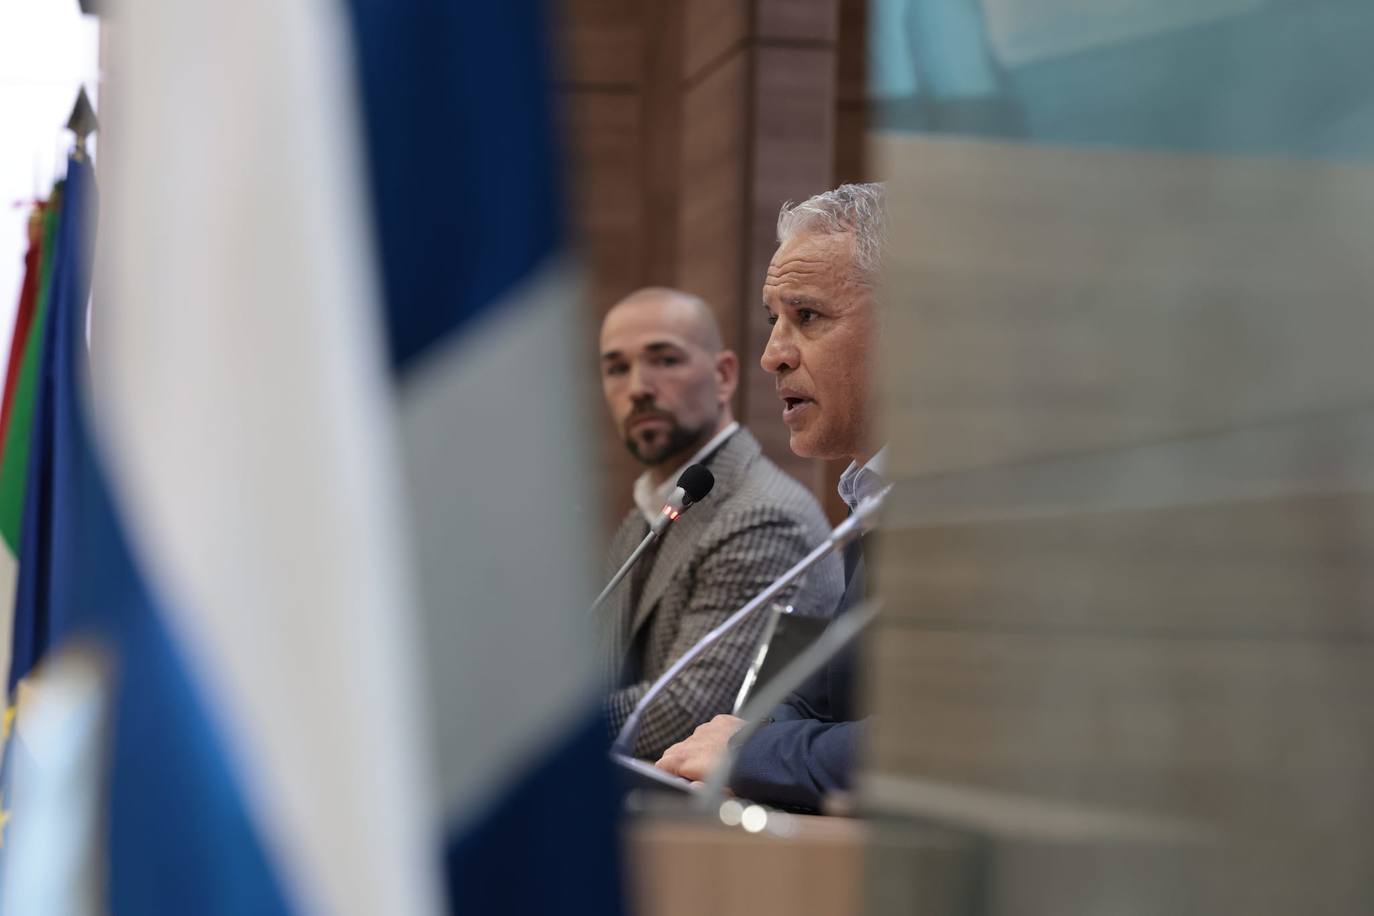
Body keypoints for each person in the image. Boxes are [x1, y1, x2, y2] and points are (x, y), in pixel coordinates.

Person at [654, 184, 886, 810]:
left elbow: (947, 750)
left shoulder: (979, 503)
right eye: (773, 320)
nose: (771, 356)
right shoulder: (877, 498)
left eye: (807, 317)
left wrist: (750, 754)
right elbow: (823, 698)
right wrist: (744, 738)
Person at [597, 287, 844, 759]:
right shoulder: (648, 514)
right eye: (616, 368)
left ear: (724, 375)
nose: (638, 388)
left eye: (664, 360)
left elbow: (684, 715)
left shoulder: (763, 515)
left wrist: (542, 733)